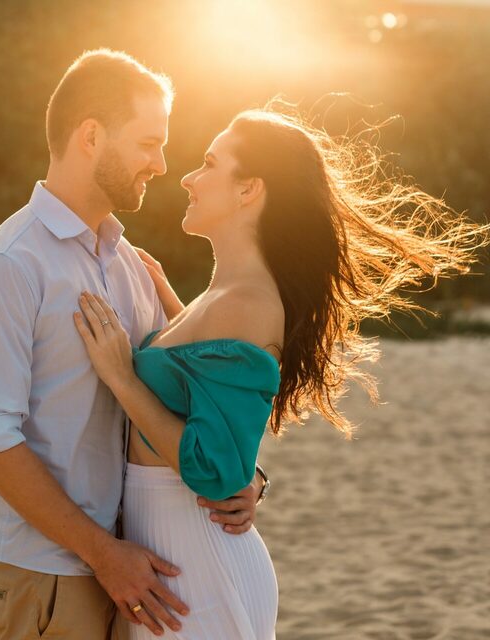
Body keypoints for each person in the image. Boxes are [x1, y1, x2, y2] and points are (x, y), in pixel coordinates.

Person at [73, 101, 488, 639]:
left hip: (195, 569)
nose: (190, 178)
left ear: (250, 189)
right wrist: (174, 314)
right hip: (177, 558)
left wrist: (123, 377)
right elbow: (210, 393)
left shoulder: (244, 300)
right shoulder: (220, 296)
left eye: (209, 163)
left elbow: (215, 469)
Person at [0, 49, 269, 640]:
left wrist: (246, 479)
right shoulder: (7, 264)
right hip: (42, 572)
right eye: (149, 143)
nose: (162, 164)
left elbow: (175, 396)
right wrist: (101, 552)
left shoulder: (129, 265)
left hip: (136, 570)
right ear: (91, 136)